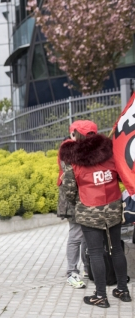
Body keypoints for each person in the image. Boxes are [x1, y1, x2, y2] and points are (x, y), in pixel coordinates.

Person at [59, 120, 131, 307]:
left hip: (89, 209)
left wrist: (78, 202)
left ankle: (100, 296)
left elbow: (68, 188)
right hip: (113, 206)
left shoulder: (72, 158)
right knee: (116, 248)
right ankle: (123, 290)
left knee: (96, 252)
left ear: (77, 135)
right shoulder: (111, 152)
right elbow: (121, 175)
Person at [57, 137, 88, 288]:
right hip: (73, 199)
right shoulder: (68, 147)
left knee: (87, 236)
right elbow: (69, 177)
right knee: (76, 235)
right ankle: (72, 272)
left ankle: (88, 269)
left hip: (86, 199)